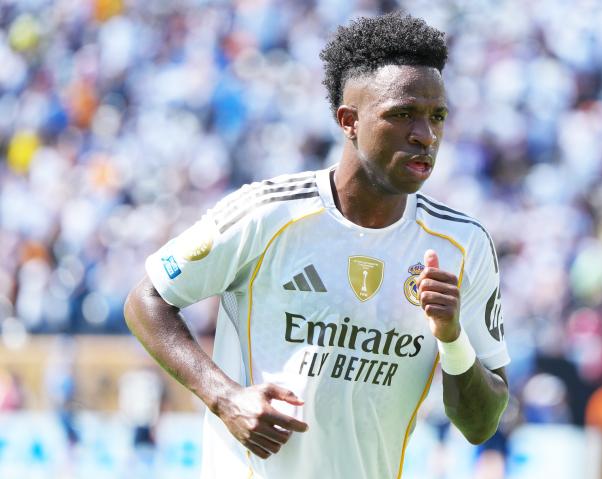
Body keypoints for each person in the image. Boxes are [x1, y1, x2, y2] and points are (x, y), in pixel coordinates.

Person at [124, 12, 510, 479]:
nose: (425, 135)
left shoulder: (462, 245)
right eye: (402, 114)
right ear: (349, 121)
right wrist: (224, 397)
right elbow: (146, 299)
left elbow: (481, 424)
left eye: (437, 117)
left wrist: (452, 337)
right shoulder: (268, 213)